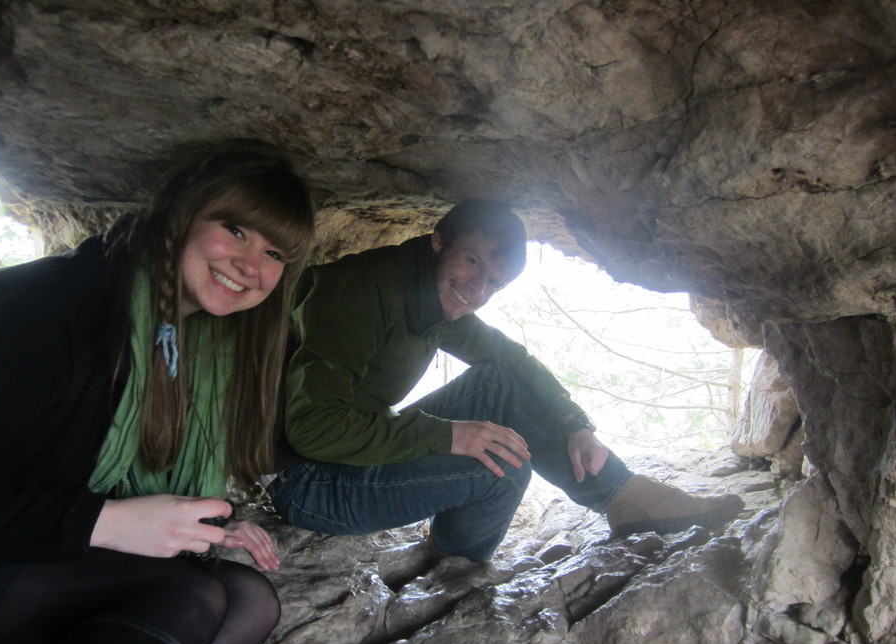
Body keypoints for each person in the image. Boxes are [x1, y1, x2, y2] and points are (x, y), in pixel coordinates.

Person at [0, 139, 315, 644]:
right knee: (188, 594)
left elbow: (128, 471)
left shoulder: (198, 344)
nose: (252, 266)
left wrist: (199, 523)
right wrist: (104, 522)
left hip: (31, 561)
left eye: (274, 253)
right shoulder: (47, 309)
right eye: (236, 230)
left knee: (250, 600)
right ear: (181, 213)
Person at [271, 199, 743, 562]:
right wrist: (449, 435)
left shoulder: (429, 292)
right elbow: (313, 430)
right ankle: (451, 568)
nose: (477, 290)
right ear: (438, 240)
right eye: (472, 262)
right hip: (307, 480)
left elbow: (511, 361)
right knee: (504, 467)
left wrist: (575, 423)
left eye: (494, 283)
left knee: (497, 383)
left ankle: (623, 496)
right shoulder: (362, 292)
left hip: (349, 451)